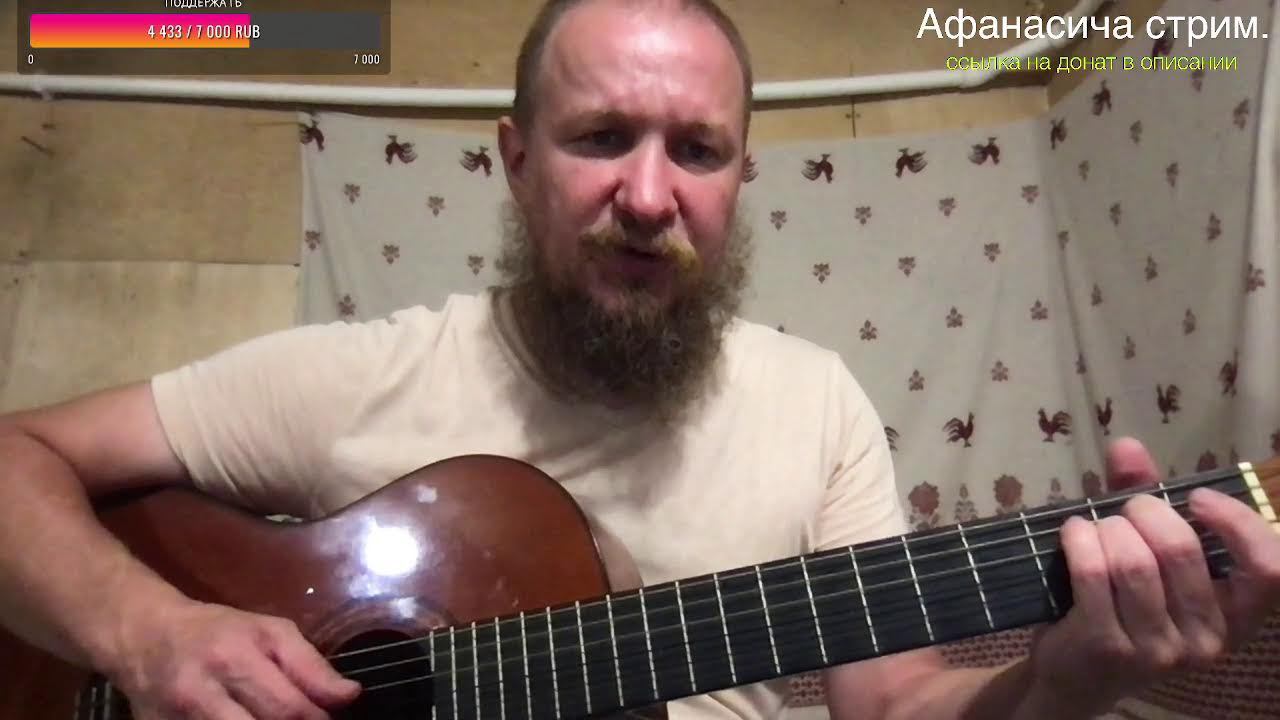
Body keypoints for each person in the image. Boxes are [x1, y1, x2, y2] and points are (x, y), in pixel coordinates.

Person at [1, 0, 1278, 718]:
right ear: (515, 160)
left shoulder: (813, 401)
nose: (650, 196)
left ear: (739, 180)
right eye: (601, 136)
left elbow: (892, 708)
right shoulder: (358, 377)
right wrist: (147, 633)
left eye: (696, 151)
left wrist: (1061, 677)